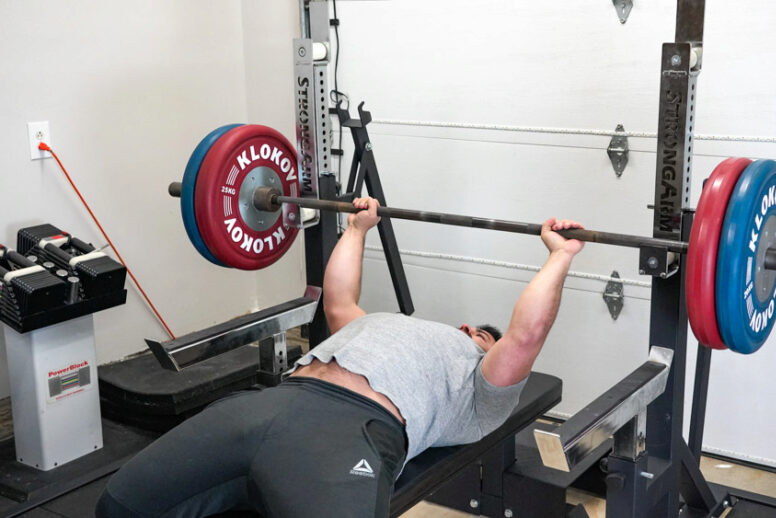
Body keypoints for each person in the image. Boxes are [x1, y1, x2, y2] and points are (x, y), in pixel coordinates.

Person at [97, 197, 585, 518]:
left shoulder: (479, 389)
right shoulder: (377, 326)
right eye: (473, 330)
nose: (471, 332)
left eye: (483, 336)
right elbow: (338, 302)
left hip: (349, 431)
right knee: (119, 506)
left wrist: (559, 256)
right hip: (270, 404)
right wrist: (357, 228)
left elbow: (524, 335)